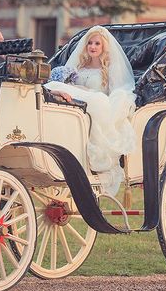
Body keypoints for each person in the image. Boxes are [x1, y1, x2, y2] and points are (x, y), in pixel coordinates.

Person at [45, 26, 136, 196]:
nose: (92, 47)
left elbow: (116, 93)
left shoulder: (109, 69)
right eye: (90, 43)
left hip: (98, 102)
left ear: (104, 48)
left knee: (99, 99)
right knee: (54, 86)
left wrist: (88, 93)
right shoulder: (78, 67)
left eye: (97, 44)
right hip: (77, 101)